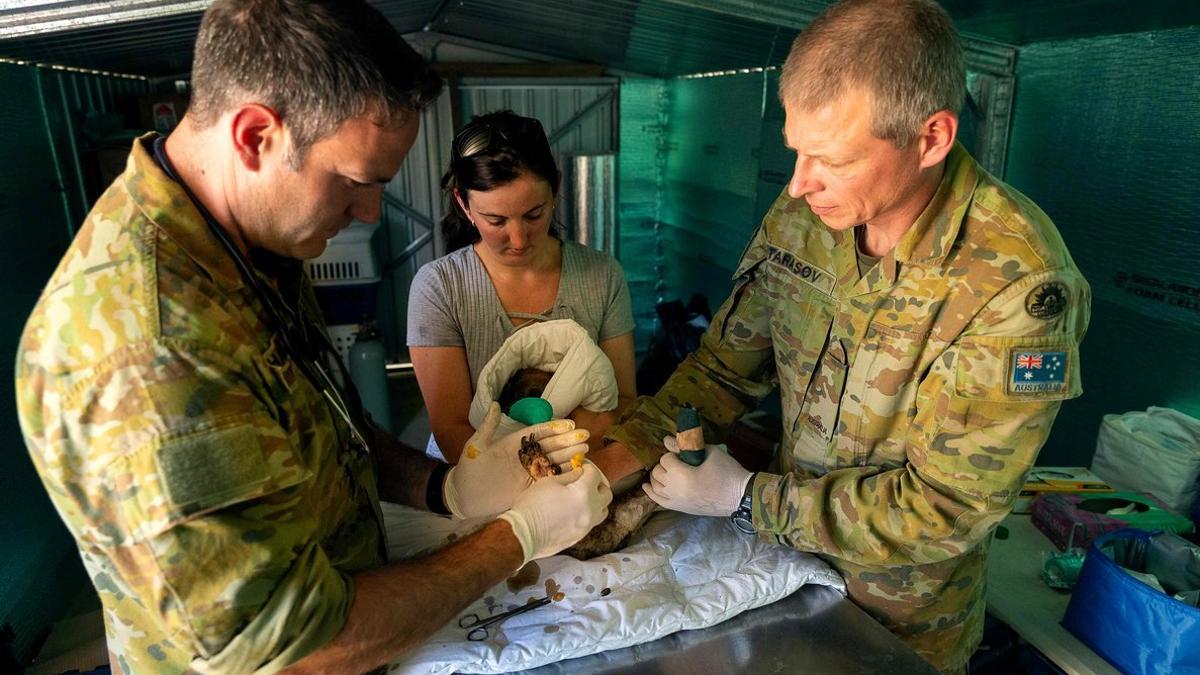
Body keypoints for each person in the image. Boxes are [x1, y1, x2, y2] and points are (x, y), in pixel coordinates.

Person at [15, 2, 610, 674]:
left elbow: (325, 424)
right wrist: (516, 535)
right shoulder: (153, 355)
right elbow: (296, 648)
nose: (370, 212)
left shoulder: (247, 244)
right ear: (254, 136)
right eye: (356, 183)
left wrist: (446, 489)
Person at [602, 0, 1091, 671]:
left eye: (830, 159)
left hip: (897, 629)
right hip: (778, 579)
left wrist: (744, 498)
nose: (800, 184)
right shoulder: (811, 211)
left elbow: (945, 507)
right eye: (796, 151)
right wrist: (605, 471)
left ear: (932, 138)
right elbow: (721, 371)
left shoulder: (1015, 284)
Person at [408, 110, 637, 462]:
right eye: (495, 220)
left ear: (555, 190)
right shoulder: (440, 288)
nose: (518, 239)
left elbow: (621, 405)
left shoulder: (601, 275)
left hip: (582, 461)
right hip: (476, 468)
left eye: (533, 215)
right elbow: (454, 430)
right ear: (464, 205)